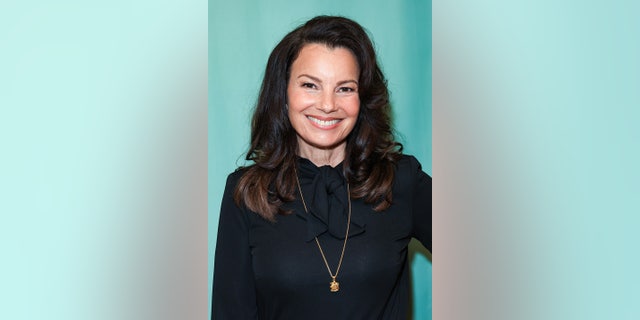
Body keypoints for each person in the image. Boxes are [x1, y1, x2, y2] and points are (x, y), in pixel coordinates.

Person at [212, 15, 431, 319]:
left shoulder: (401, 180)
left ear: (363, 98)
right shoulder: (246, 192)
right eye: (310, 85)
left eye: (345, 88)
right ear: (284, 93)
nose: (328, 105)